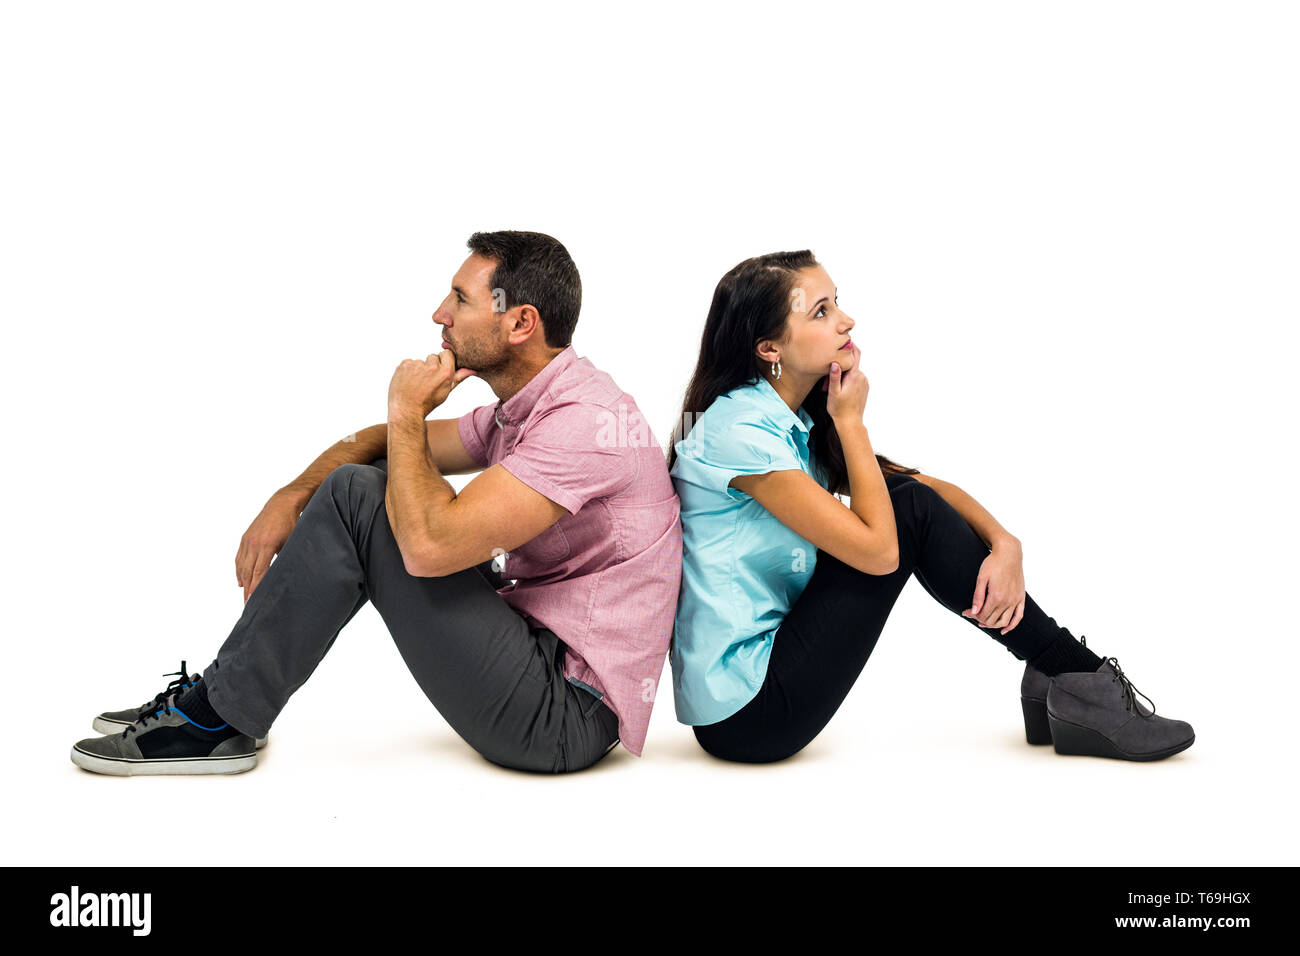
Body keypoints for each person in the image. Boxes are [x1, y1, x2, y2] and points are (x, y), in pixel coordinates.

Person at [72, 230, 682, 775]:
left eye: (461, 300)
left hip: (564, 715)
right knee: (373, 478)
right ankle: (220, 703)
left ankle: (213, 719)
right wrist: (289, 496)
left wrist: (406, 408)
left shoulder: (584, 423)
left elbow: (426, 546)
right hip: (535, 661)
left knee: (365, 496)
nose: (439, 314)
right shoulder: (528, 405)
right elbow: (376, 444)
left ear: (521, 323)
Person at [667, 250, 1194, 764]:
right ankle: (1068, 673)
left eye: (837, 302)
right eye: (821, 311)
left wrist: (1005, 542)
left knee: (905, 500)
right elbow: (880, 552)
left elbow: (918, 486)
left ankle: (1057, 673)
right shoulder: (739, 433)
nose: (846, 321)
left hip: (770, 670)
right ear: (768, 348)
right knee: (905, 515)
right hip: (748, 714)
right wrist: (851, 422)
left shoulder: (788, 419)